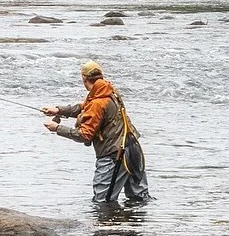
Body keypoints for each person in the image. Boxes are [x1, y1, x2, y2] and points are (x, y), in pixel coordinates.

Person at [43, 60, 150, 211]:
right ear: (100, 76)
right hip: (133, 149)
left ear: (83, 78)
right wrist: (59, 110)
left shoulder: (98, 102)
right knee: (139, 200)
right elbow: (85, 107)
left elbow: (85, 135)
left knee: (103, 202)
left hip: (115, 156)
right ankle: (138, 232)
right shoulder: (109, 91)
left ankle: (105, 234)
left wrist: (57, 128)